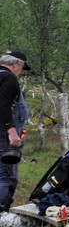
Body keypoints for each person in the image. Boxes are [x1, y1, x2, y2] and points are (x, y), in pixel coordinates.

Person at [0, 49, 31, 211]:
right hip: (4, 138)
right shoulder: (9, 77)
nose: (20, 73)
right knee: (7, 177)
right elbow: (3, 105)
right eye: (22, 68)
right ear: (15, 64)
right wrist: (11, 131)